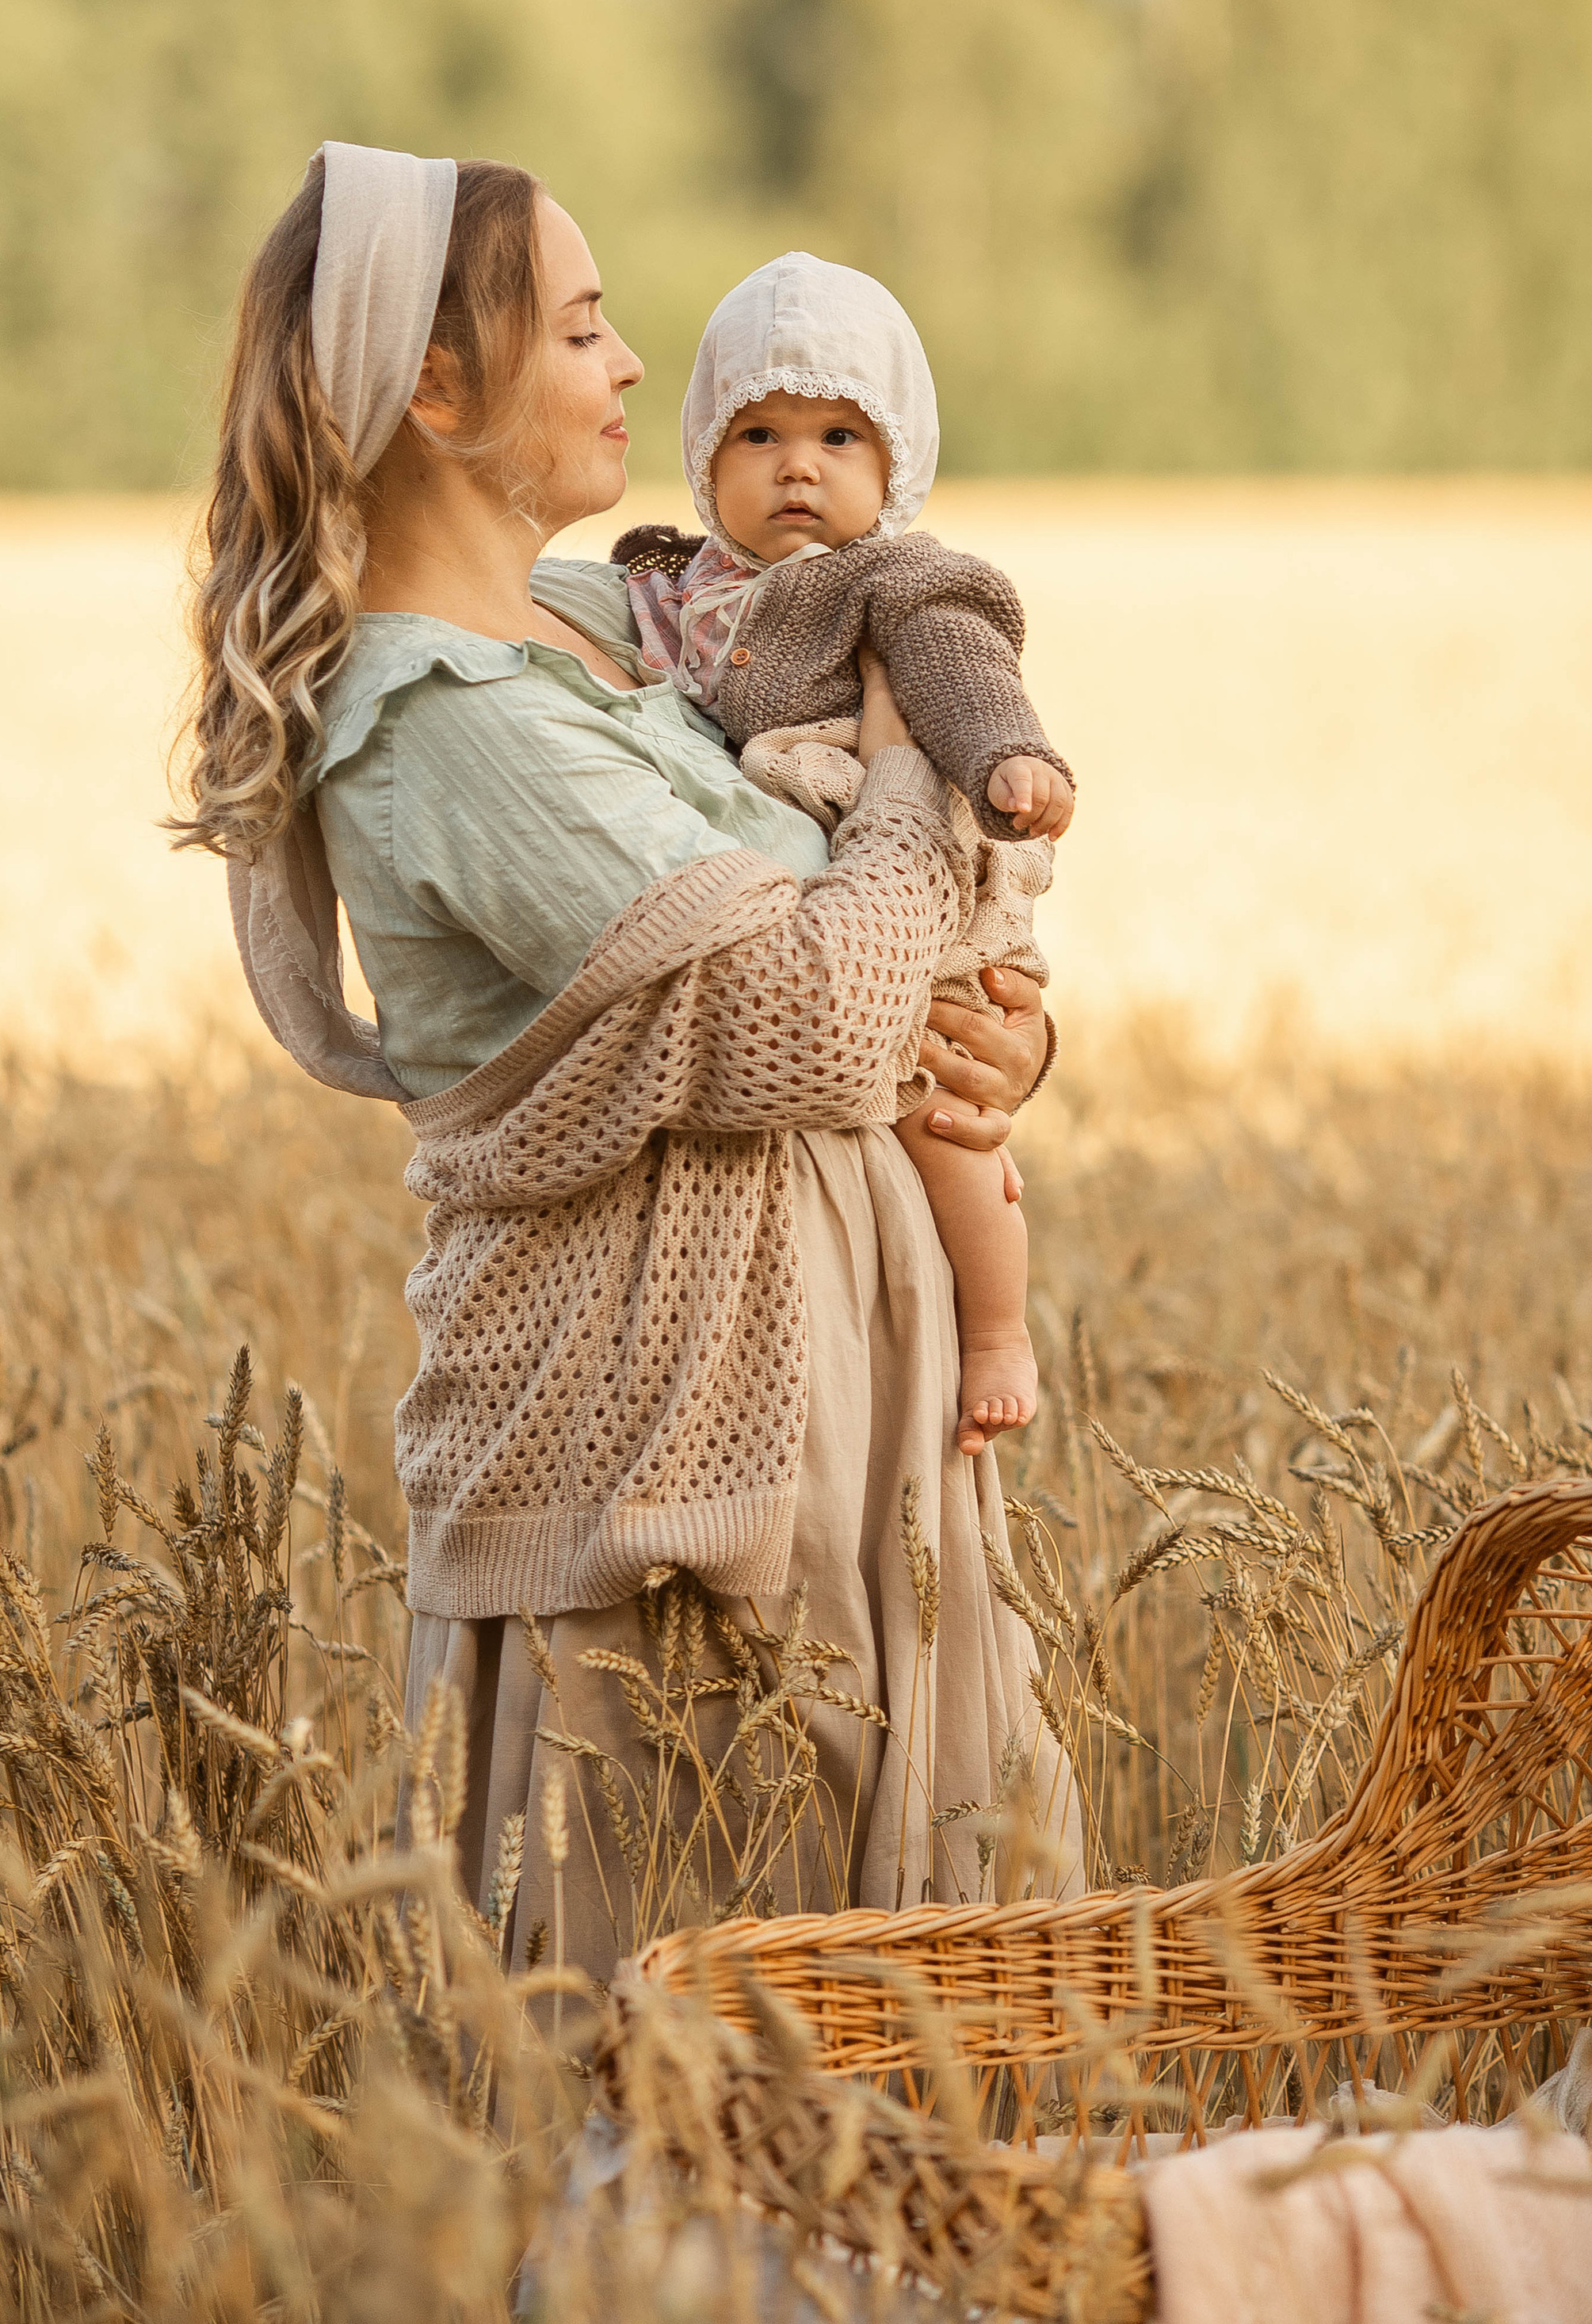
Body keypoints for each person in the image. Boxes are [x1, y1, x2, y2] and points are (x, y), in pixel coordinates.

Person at [174, 143, 1080, 1979]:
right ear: (438, 391)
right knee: (686, 2039)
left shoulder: (597, 635)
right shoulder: (448, 721)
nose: (629, 372)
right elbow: (812, 1015)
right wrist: (913, 756)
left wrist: (1002, 1040)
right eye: (582, 328)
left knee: (896, 2040)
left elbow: (864, 978)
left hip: (839, 1419)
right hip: (655, 1492)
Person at [614, 252, 1074, 1458]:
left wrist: (1009, 762)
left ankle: (997, 1332)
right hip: (819, 889)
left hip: (924, 883)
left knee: (945, 1111)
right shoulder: (669, 580)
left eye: (837, 439)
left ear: (897, 465)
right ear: (708, 458)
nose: (798, 467)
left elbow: (959, 674)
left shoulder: (896, 582)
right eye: (757, 434)